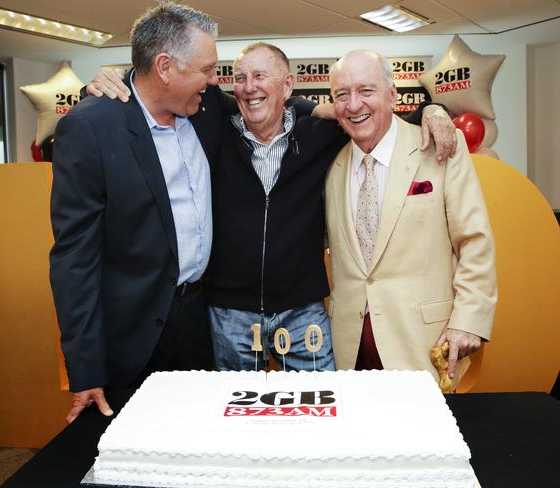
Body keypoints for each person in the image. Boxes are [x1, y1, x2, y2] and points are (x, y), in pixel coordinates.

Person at [86, 43, 458, 373]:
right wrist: (113, 76)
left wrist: (433, 109)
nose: (249, 87)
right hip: (230, 313)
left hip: (302, 311)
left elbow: (379, 121)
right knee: (236, 415)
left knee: (320, 410)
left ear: (288, 86)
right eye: (240, 77)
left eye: (261, 76)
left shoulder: (322, 133)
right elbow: (160, 81)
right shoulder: (211, 123)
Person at [50, 3, 232, 423]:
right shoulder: (92, 127)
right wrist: (85, 365)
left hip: (197, 321)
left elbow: (270, 100)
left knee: (196, 439)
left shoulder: (204, 109)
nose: (214, 80)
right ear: (165, 66)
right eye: (207, 69)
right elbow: (74, 258)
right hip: (130, 337)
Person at [324, 50, 497, 387]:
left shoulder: (439, 146)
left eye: (366, 90)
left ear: (393, 95)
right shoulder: (331, 165)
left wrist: (469, 320)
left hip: (423, 347)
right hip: (349, 352)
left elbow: (474, 240)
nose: (354, 104)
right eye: (342, 95)